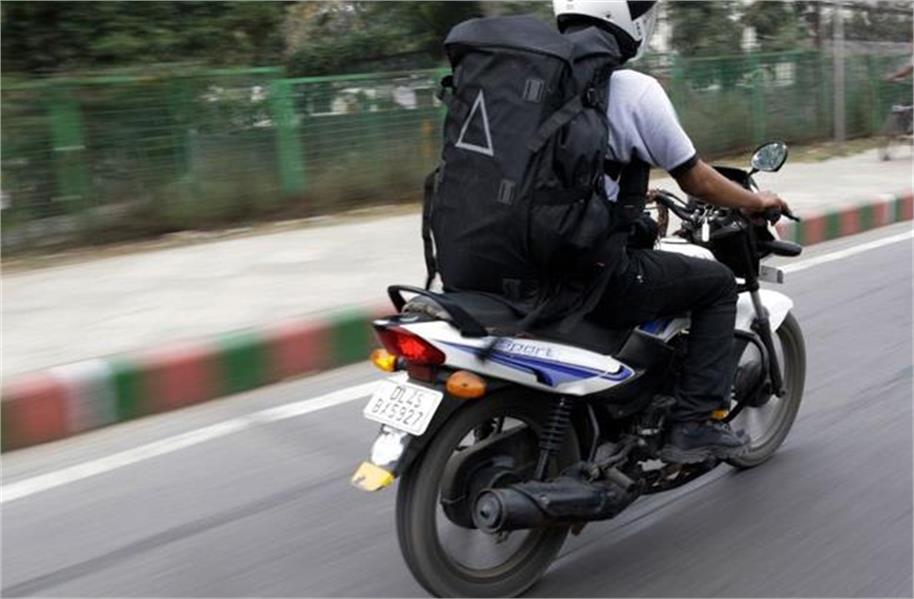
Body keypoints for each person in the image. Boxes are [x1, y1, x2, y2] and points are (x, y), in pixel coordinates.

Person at [552, 0, 792, 462]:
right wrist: (755, 201)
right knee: (716, 284)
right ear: (629, 19)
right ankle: (694, 424)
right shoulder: (632, 90)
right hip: (590, 275)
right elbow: (696, 179)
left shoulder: (527, 85)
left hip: (513, 266)